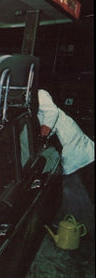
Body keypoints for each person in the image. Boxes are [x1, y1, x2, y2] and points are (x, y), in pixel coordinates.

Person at [37, 89, 94, 232]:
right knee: (72, 189)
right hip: (72, 151)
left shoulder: (39, 94)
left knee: (72, 189)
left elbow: (52, 112)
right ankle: (75, 225)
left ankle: (83, 229)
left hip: (75, 150)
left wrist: (42, 137)